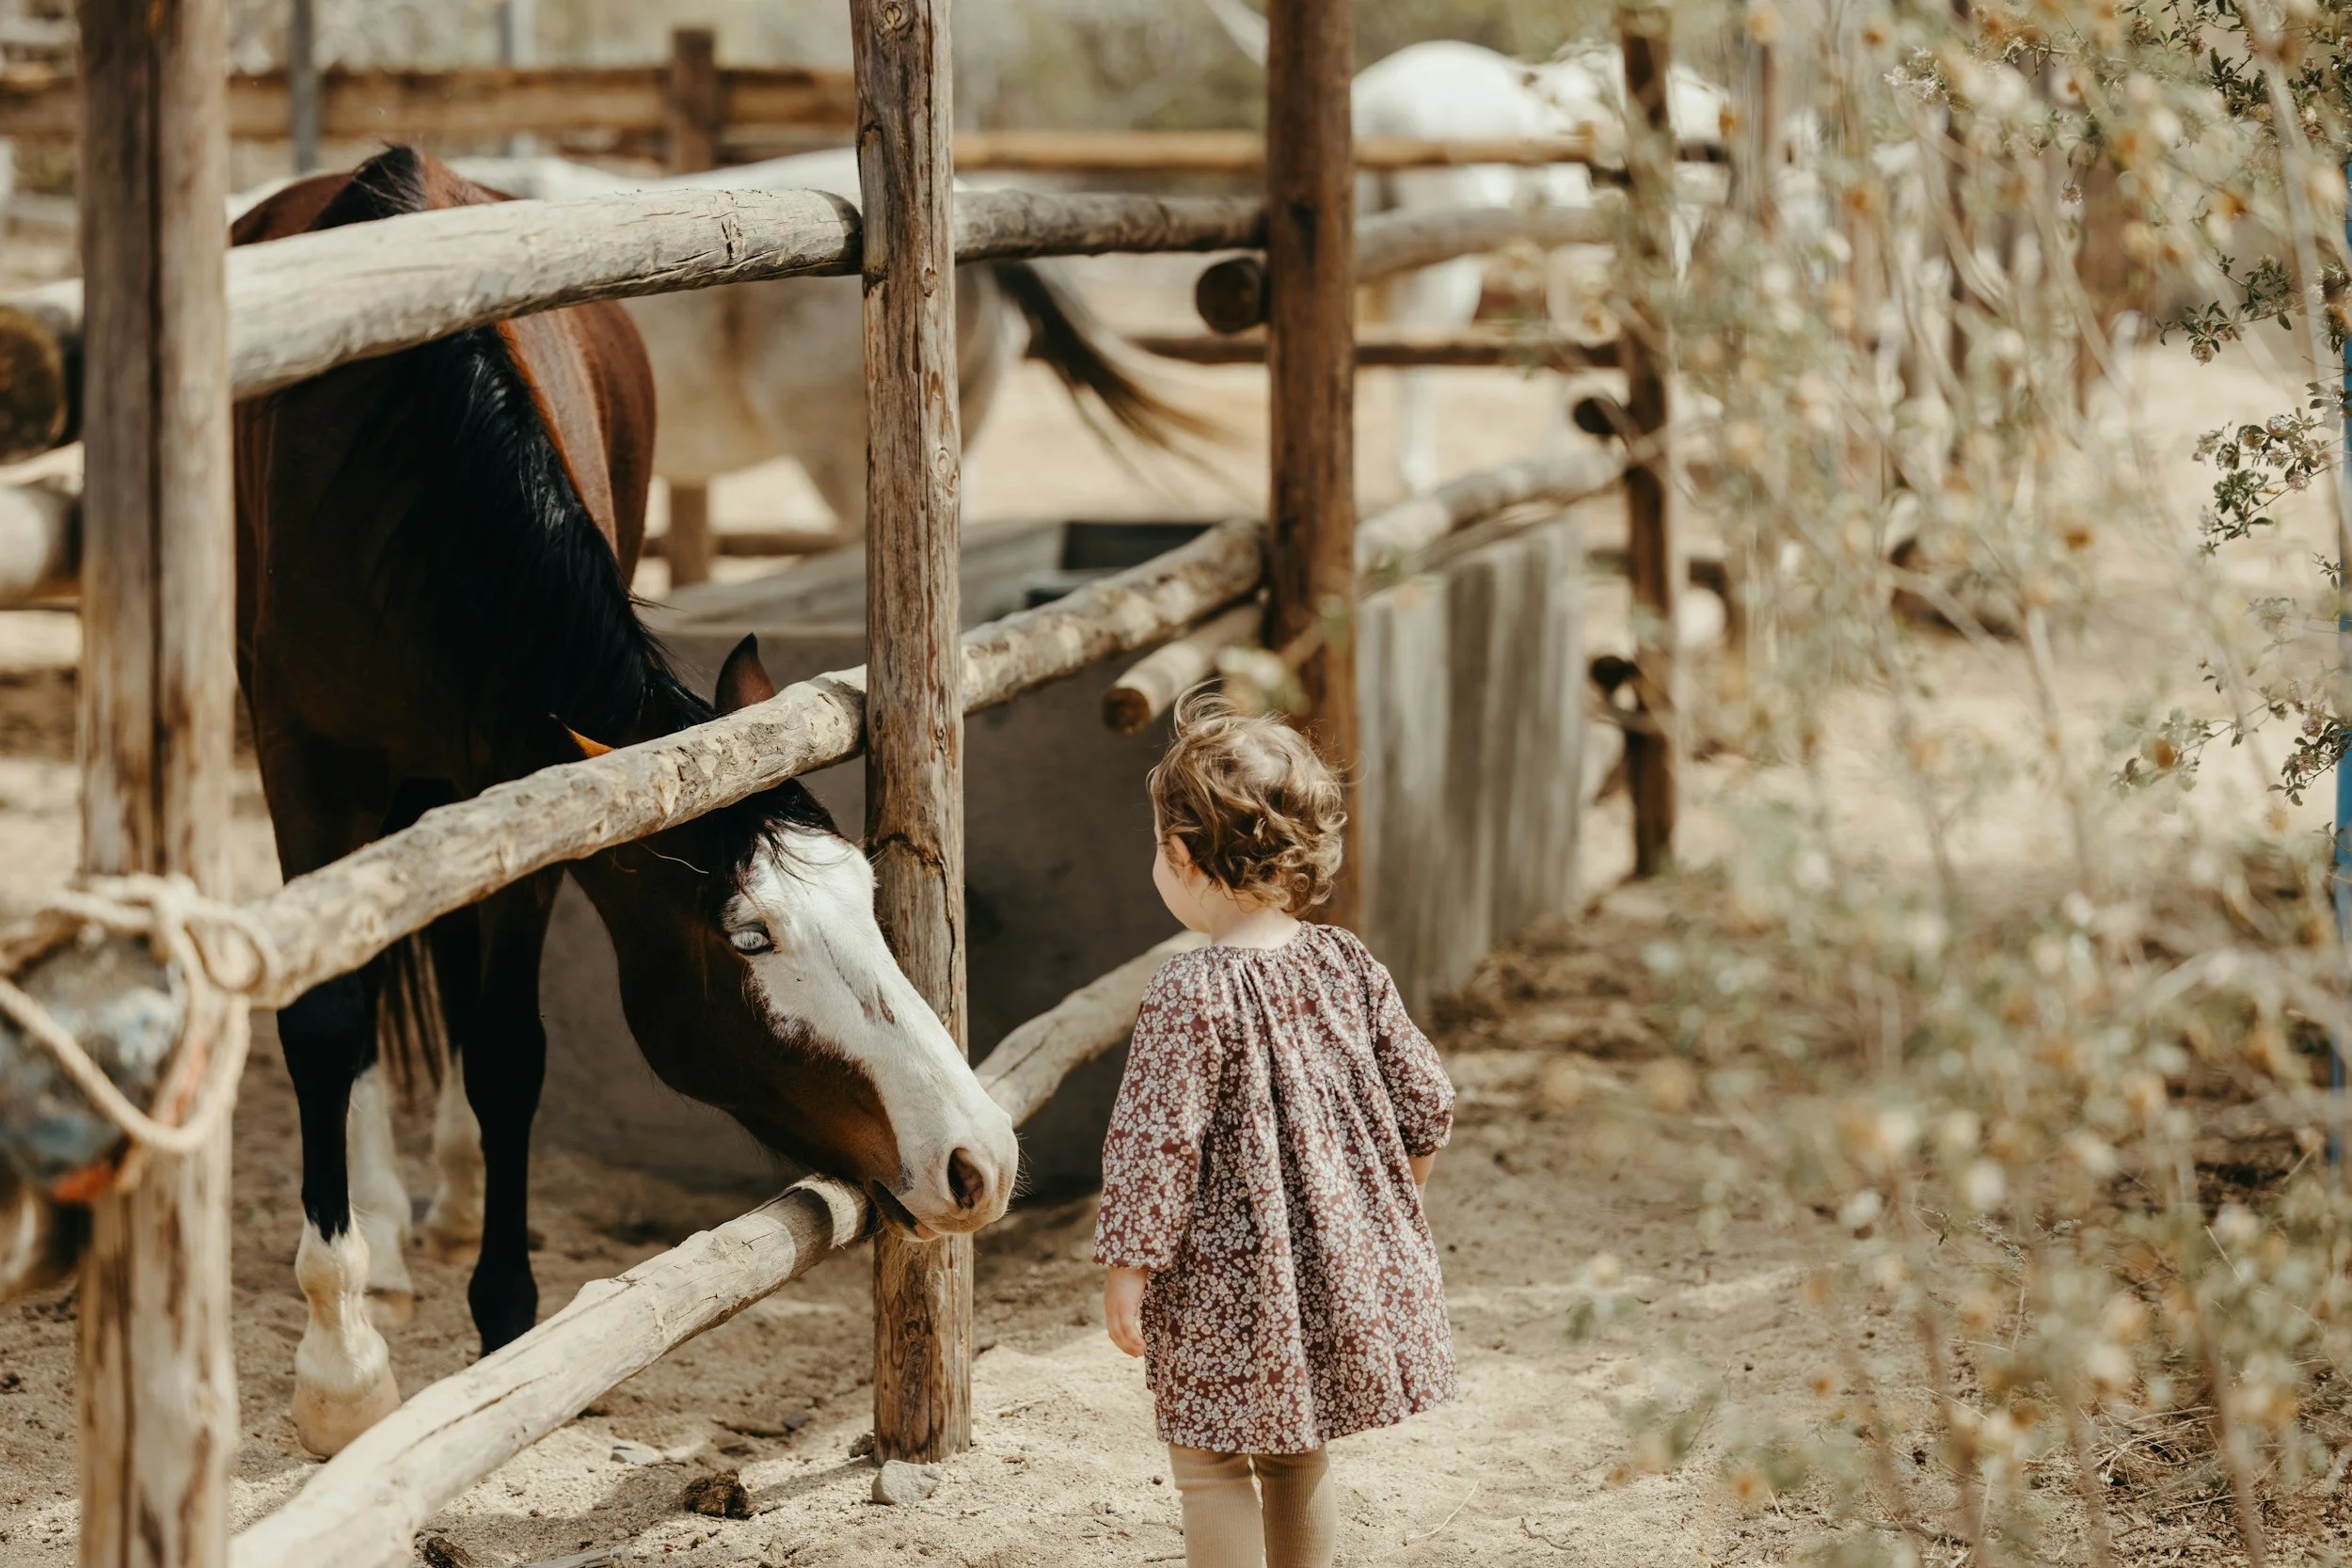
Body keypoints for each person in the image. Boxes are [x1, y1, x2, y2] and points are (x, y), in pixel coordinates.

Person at [1096, 694, 1456, 1568]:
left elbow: (1157, 1149)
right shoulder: (1345, 961)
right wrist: (1386, 1205)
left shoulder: (1188, 992)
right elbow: (1428, 1100)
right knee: (1300, 1450)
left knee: (1211, 1463)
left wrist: (1127, 1270)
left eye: (1157, 845)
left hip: (1222, 1286)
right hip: (1332, 1270)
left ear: (1180, 855)